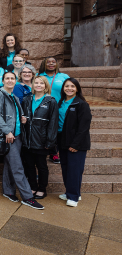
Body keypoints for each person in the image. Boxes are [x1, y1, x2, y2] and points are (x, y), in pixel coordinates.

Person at [0, 72, 44, 210]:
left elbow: (13, 115)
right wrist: (7, 131)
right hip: (8, 136)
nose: (10, 80)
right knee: (18, 167)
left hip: (17, 136)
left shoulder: (14, 96)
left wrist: (22, 118)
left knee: (10, 164)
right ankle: (27, 197)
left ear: (16, 81)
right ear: (3, 81)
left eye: (12, 78)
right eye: (7, 78)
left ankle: (8, 191)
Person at [21, 75, 58, 199]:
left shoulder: (50, 101)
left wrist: (50, 141)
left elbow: (53, 123)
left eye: (41, 83)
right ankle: (33, 187)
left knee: (41, 166)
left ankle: (42, 188)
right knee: (29, 165)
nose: (38, 85)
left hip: (42, 140)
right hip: (27, 139)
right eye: (36, 83)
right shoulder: (27, 99)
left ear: (45, 86)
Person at [57, 78, 92, 207]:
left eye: (72, 86)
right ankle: (70, 192)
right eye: (67, 86)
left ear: (77, 89)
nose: (69, 89)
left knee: (74, 170)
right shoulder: (61, 102)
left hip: (76, 143)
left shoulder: (81, 104)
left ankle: (73, 197)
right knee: (66, 168)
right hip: (62, 140)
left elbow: (84, 127)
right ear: (63, 88)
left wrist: (75, 144)